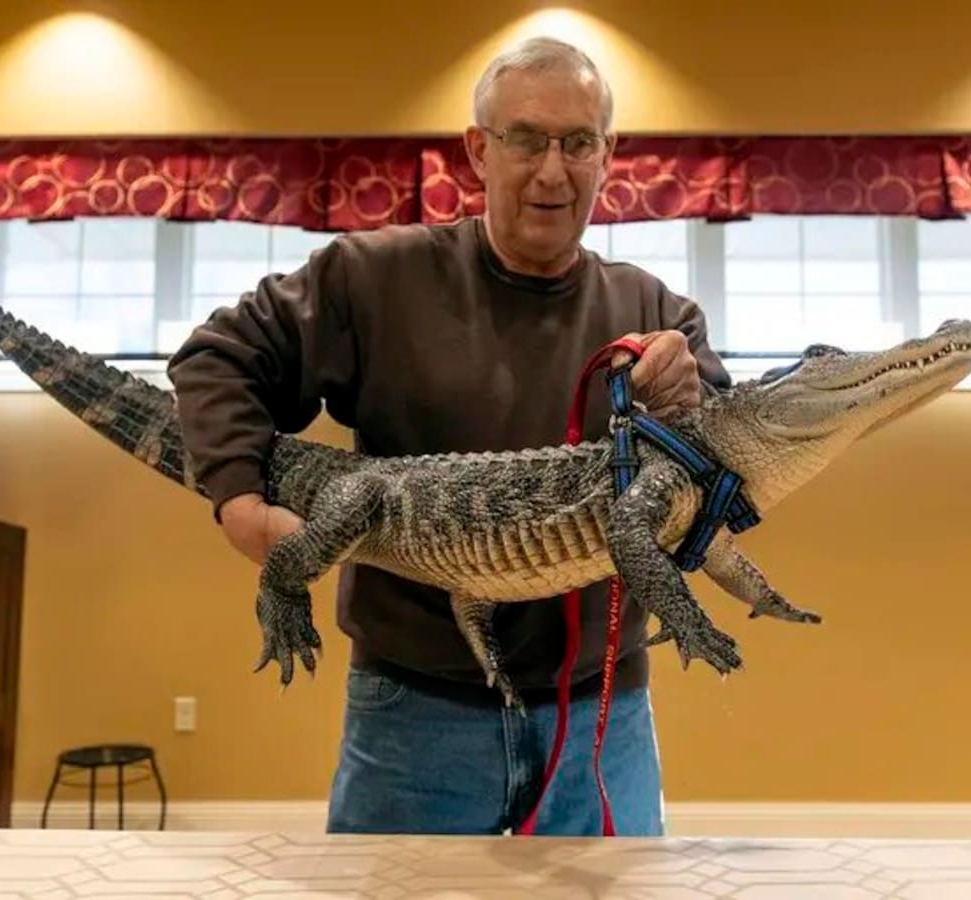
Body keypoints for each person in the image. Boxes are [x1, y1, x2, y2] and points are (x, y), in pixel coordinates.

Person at [166, 35, 731, 836]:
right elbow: (217, 361)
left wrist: (687, 399)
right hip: (412, 712)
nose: (551, 170)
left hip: (602, 715)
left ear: (609, 156)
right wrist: (238, 504)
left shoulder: (658, 315)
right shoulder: (371, 278)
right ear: (478, 150)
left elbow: (720, 458)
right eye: (526, 138)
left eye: (577, 143)